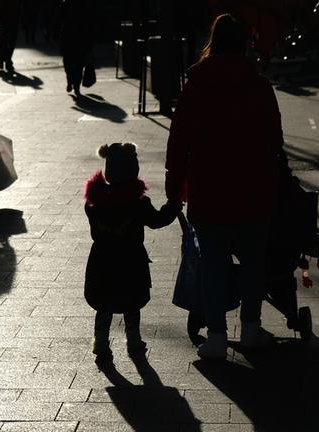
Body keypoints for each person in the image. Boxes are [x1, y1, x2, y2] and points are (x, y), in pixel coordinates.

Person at [164, 14, 285, 360]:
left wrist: (176, 192)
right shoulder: (259, 86)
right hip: (253, 191)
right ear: (244, 45)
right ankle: (250, 328)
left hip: (209, 190)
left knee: (213, 264)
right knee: (252, 263)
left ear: (213, 42)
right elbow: (274, 141)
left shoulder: (196, 86)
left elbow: (178, 143)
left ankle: (216, 336)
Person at [84, 143, 181, 368]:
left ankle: (101, 342)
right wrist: (173, 207)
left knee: (104, 302)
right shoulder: (138, 204)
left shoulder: (94, 203)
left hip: (102, 260)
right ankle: (134, 341)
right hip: (130, 259)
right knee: (131, 302)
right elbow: (157, 221)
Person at [60, 0, 93, 96]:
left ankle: (72, 82)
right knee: (77, 63)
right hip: (78, 36)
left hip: (72, 36)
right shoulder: (81, 4)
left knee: (70, 62)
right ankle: (74, 84)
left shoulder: (66, 3)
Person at [0, 0, 21, 71]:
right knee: (8, 43)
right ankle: (6, 62)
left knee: (2, 42)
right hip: (11, 22)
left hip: (5, 22)